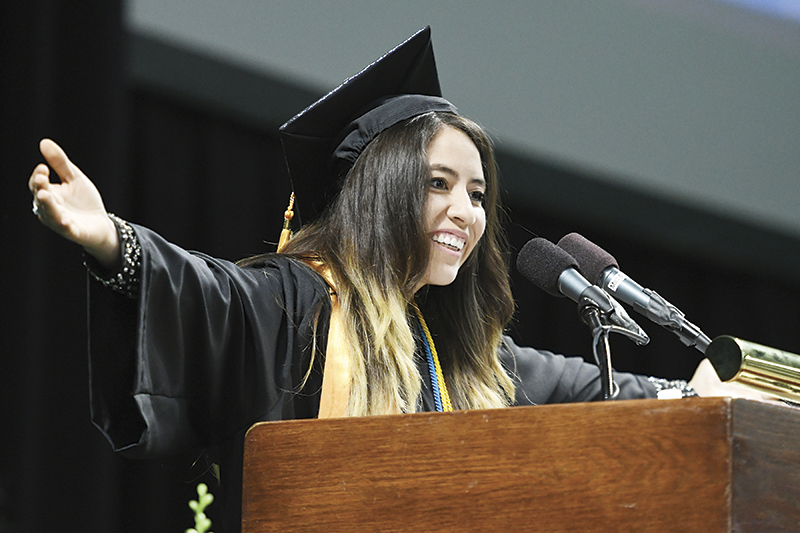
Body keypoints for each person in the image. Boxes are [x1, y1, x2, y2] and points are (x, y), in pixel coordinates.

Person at [28, 27, 736, 532]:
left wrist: (694, 392)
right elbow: (212, 293)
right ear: (382, 192)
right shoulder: (302, 300)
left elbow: (581, 386)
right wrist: (111, 241)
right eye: (439, 184)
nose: (467, 212)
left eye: (479, 194)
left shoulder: (459, 355)